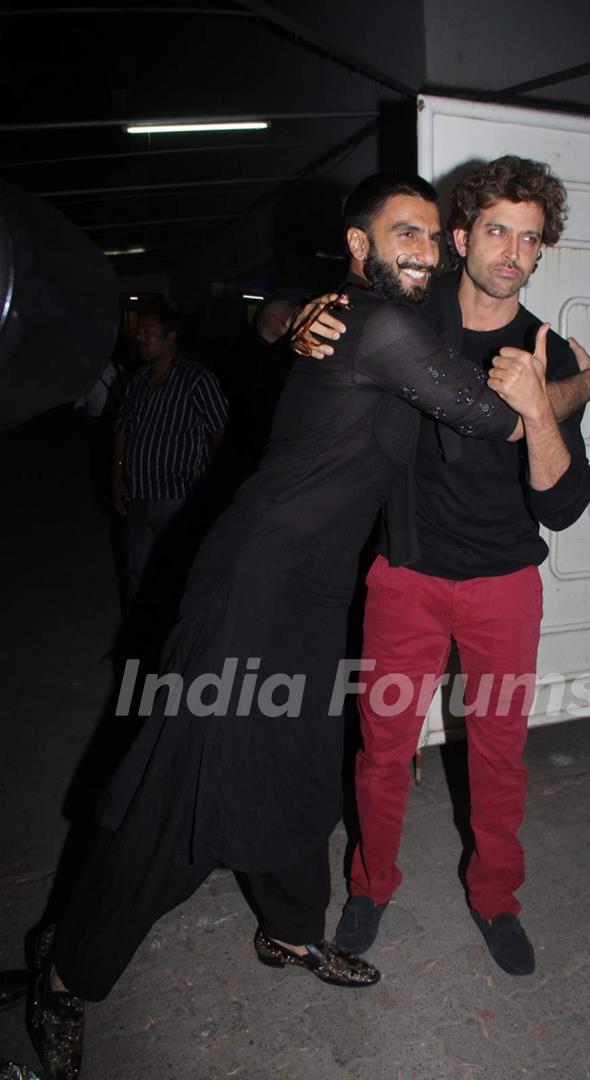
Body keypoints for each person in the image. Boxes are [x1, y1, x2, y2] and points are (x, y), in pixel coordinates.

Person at [28, 171, 558, 1079]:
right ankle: (67, 977)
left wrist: (285, 314)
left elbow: (307, 326)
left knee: (298, 765)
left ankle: (290, 933)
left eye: (434, 235)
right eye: (405, 235)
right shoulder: (382, 323)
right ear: (358, 248)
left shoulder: (396, 316)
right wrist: (568, 384)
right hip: (254, 585)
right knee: (184, 784)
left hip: (313, 592)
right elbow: (488, 416)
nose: (425, 251)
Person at [279, 157, 590, 978]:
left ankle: (497, 897)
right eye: (497, 230)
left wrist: (546, 402)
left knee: (497, 754)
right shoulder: (410, 317)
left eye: (530, 240)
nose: (512, 253)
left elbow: (563, 506)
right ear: (462, 237)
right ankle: (369, 884)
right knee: (383, 749)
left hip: (503, 587)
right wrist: (290, 316)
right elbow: (298, 308)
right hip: (409, 577)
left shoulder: (547, 351)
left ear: (540, 254)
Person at [112, 306, 228, 605]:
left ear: (170, 337)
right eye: (139, 332)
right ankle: (136, 642)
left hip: (178, 497)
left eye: (148, 332)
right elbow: (123, 431)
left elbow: (220, 433)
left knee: (179, 573)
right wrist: (117, 478)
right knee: (135, 572)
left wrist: (212, 490)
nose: (140, 337)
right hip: (138, 495)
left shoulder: (196, 379)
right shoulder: (137, 381)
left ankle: (174, 646)